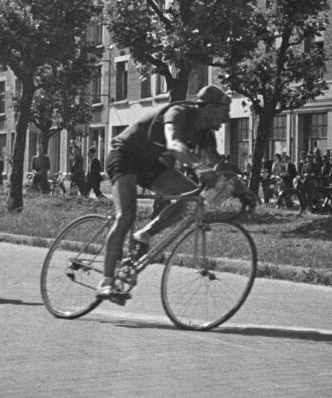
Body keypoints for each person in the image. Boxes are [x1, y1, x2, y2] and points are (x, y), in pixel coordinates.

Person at [98, 85, 235, 298]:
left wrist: (241, 190)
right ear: (209, 108)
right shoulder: (178, 113)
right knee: (126, 215)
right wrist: (198, 167)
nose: (227, 118)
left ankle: (144, 234)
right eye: (225, 111)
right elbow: (174, 144)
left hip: (149, 162)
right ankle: (106, 281)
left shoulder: (206, 133)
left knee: (192, 197)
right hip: (124, 155)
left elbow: (218, 166)